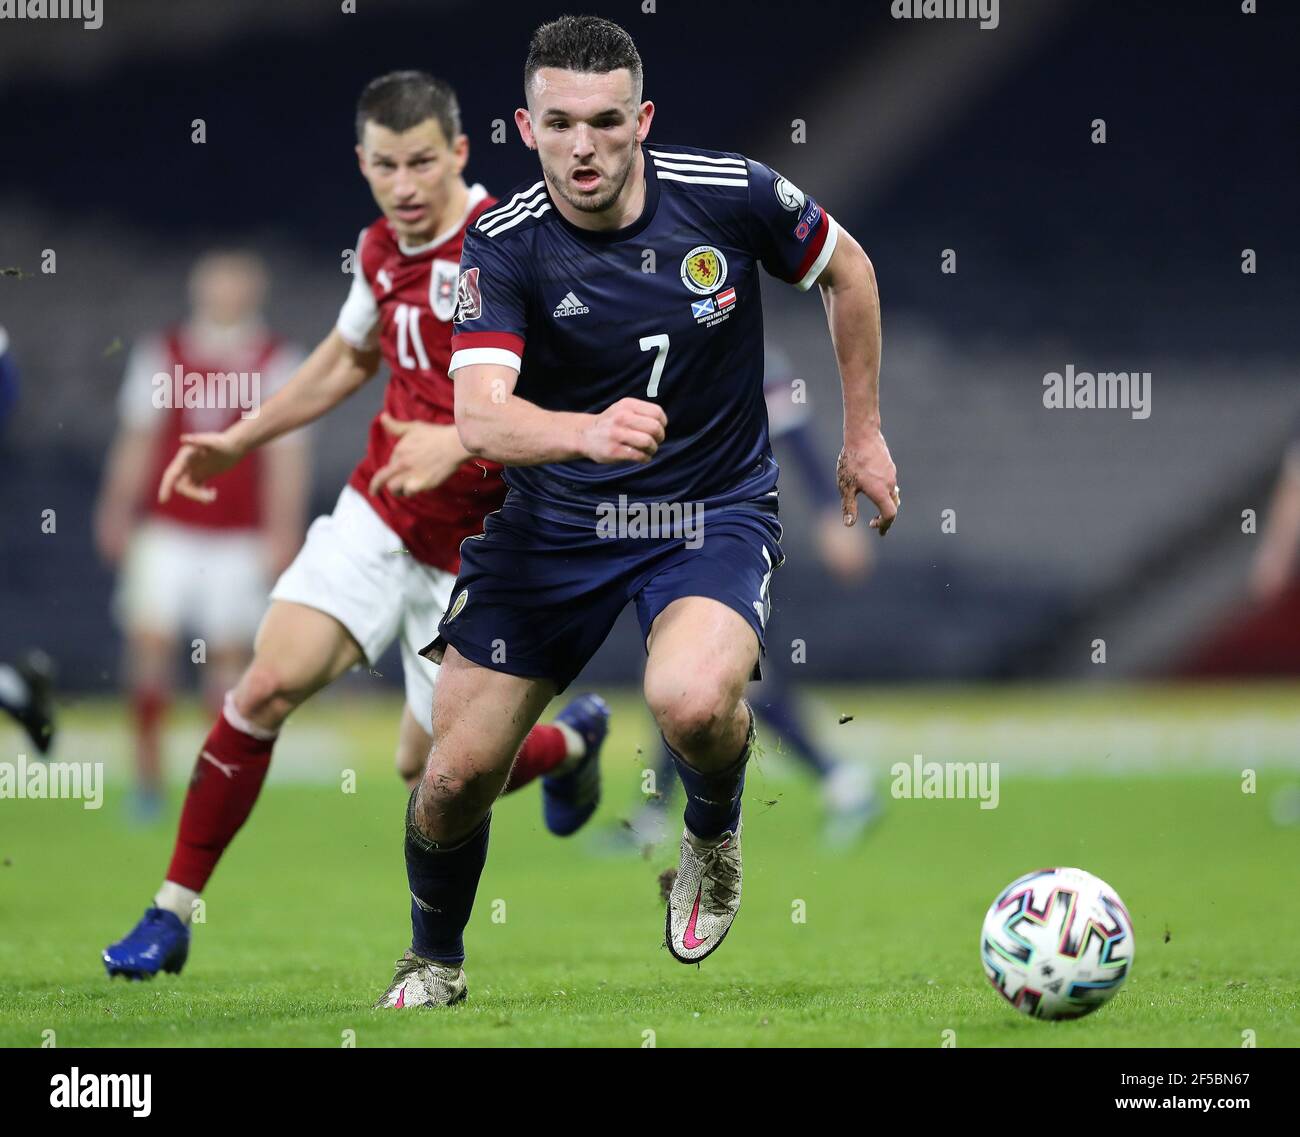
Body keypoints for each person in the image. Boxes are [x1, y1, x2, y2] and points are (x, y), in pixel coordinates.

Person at [375, 16, 898, 1008]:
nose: (584, 146)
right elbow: (480, 420)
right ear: (525, 127)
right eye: (560, 123)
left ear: (641, 119)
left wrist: (861, 434)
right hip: (553, 531)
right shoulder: (503, 240)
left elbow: (849, 270)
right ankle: (435, 959)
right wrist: (584, 431)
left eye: (607, 122)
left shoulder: (730, 195)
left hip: (707, 513)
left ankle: (709, 834)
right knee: (448, 783)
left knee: (693, 702)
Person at [103, 71, 610, 982]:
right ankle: (170, 911)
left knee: (432, 776)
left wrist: (460, 438)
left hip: (485, 554)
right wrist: (239, 437)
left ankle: (571, 744)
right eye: (386, 166)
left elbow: (573, 398)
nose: (405, 185)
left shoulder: (523, 244)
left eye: (422, 162)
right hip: (379, 516)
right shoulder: (379, 248)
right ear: (363, 165)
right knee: (262, 688)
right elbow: (349, 354)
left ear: (458, 153)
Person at [622, 341, 880, 852]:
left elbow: (796, 434)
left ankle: (843, 782)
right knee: (687, 681)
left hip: (734, 542)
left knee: (725, 682)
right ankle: (653, 814)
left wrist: (834, 515)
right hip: (673, 540)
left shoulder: (742, 349)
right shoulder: (649, 345)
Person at [94, 252, 309, 819]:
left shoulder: (276, 359)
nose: (223, 293)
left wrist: (282, 530)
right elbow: (139, 437)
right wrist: (117, 507)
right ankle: (146, 780)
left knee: (228, 657)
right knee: (149, 644)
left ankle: (213, 785)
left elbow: (286, 455)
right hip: (168, 528)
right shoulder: (162, 353)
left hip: (237, 536)